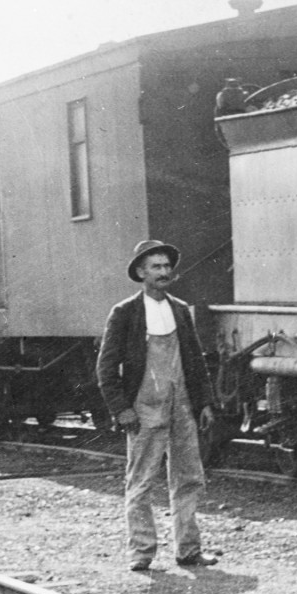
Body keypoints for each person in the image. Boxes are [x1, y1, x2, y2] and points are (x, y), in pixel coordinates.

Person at [95, 239, 217, 573]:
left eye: (166, 266)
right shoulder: (125, 312)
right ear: (141, 273)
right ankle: (141, 551)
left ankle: (189, 549)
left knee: (189, 477)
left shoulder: (180, 309)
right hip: (144, 406)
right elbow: (106, 367)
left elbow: (195, 361)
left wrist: (204, 402)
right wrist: (121, 408)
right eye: (156, 267)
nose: (164, 272)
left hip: (182, 404)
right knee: (141, 480)